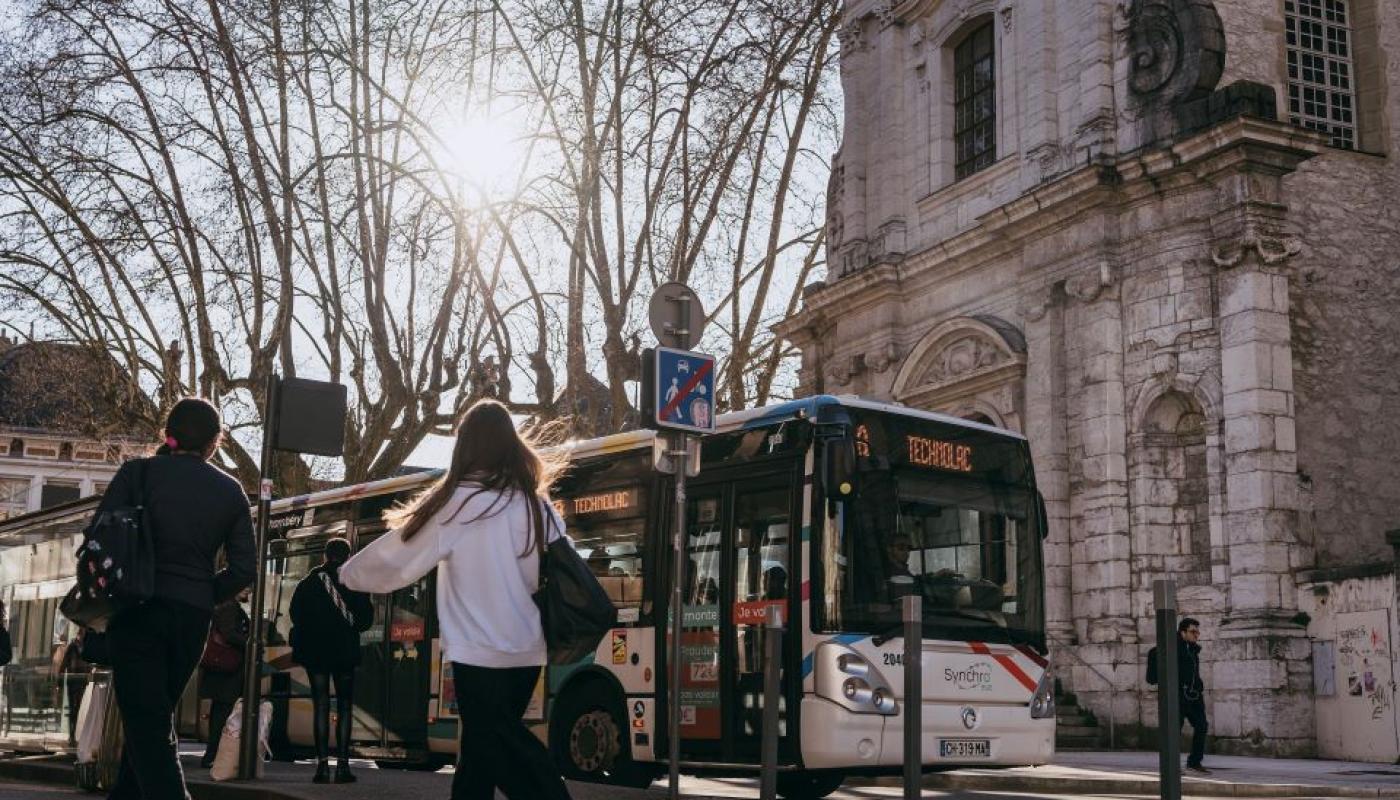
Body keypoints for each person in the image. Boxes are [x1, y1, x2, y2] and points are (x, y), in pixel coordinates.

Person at [339, 399, 573, 800]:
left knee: (497, 745)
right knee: (482, 751)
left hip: (477, 653)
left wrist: (347, 574)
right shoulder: (537, 506)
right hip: (526, 651)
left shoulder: (458, 505)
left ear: (465, 446)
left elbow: (398, 557)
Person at [100, 397, 256, 800]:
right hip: (191, 617)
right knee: (151, 717)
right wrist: (204, 591)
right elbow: (244, 569)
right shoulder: (230, 491)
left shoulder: (137, 473)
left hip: (136, 607)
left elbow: (102, 533)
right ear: (214, 443)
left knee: (147, 721)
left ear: (167, 433)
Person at [289, 537, 373, 784]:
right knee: (344, 707)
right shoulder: (354, 581)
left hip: (316, 654)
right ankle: (343, 767)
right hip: (344, 653)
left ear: (325, 556)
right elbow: (364, 622)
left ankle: (322, 768)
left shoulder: (308, 583)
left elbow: (295, 615)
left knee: (321, 706)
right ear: (348, 556)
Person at [1147, 616, 1210, 774]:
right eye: (1193, 632)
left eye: (1197, 632)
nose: (1196, 635)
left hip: (1194, 695)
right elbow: (1154, 654)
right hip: (1178, 695)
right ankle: (1172, 765)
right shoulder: (1172, 647)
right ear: (1183, 632)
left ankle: (1194, 762)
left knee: (1202, 725)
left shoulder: (1193, 649)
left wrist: (1198, 686)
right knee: (1174, 729)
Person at [198, 588, 251, 768]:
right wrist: (251, 642)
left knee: (220, 712)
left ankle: (212, 755)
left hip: (222, 668)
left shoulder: (226, 604)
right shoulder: (229, 606)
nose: (249, 590)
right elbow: (229, 633)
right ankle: (212, 755)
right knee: (222, 713)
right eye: (245, 585)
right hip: (227, 669)